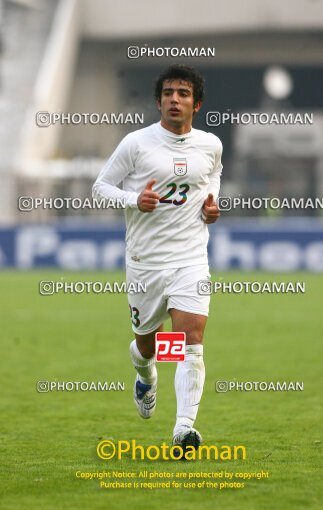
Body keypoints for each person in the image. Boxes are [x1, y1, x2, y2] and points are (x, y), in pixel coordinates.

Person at [92, 64, 223, 456]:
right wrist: (136, 200)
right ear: (158, 101)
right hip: (145, 262)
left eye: (183, 93)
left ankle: (184, 430)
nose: (174, 99)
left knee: (190, 342)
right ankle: (145, 374)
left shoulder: (211, 145)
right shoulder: (136, 143)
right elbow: (100, 187)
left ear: (196, 104)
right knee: (147, 345)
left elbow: (213, 176)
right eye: (168, 93)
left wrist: (212, 205)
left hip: (190, 259)